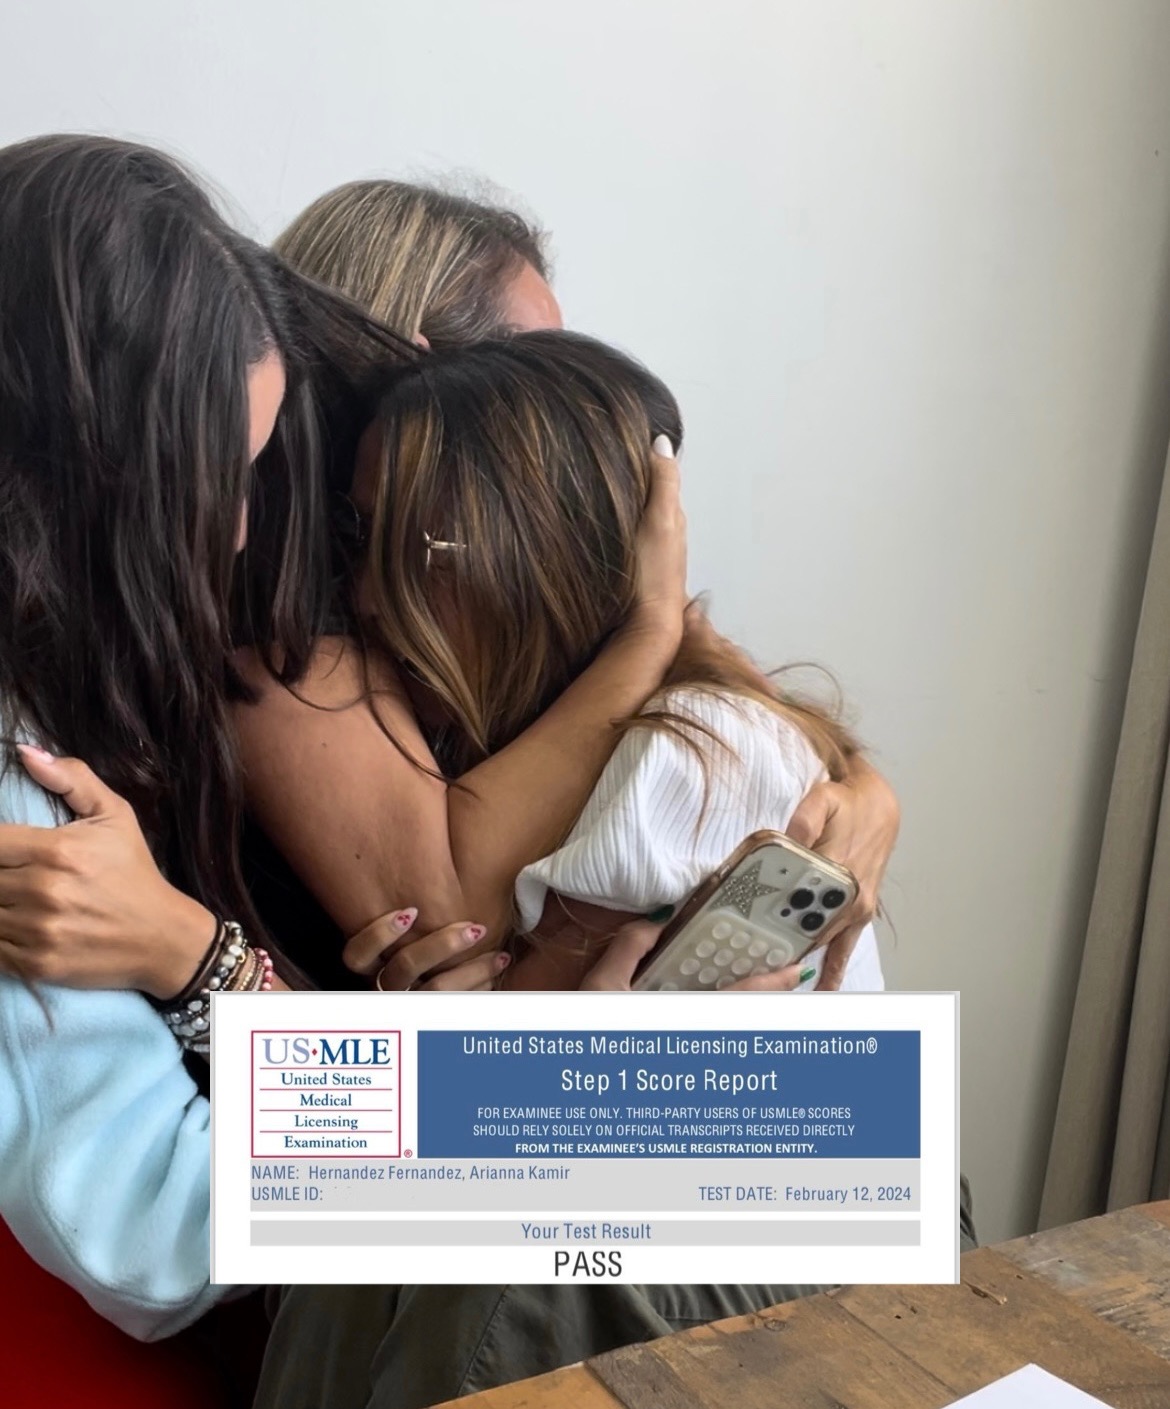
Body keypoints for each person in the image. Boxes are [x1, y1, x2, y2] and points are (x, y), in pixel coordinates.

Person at [0, 135, 693, 1347]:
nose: (237, 534)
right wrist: (544, 1097)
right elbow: (158, 1228)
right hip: (283, 1306)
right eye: (218, 478)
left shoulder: (104, 656)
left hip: (371, 1231)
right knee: (814, 1138)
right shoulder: (44, 777)